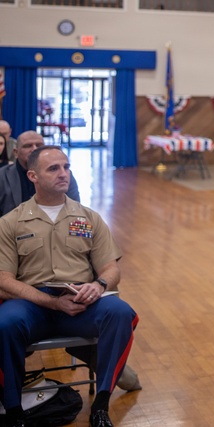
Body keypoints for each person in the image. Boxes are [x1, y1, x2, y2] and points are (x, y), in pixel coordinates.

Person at [0, 147, 139, 427]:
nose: (63, 173)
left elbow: (111, 268)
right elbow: (4, 280)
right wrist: (50, 302)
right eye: (53, 169)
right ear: (33, 176)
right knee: (4, 324)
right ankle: (14, 411)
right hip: (32, 305)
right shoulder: (11, 222)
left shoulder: (88, 218)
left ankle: (101, 405)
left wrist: (98, 286)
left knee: (121, 313)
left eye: (66, 167)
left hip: (81, 302)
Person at [1, 131, 81, 217]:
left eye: (39, 145)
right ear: (16, 152)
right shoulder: (2, 175)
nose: (34, 149)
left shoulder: (63, 174)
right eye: (27, 146)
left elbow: (74, 208)